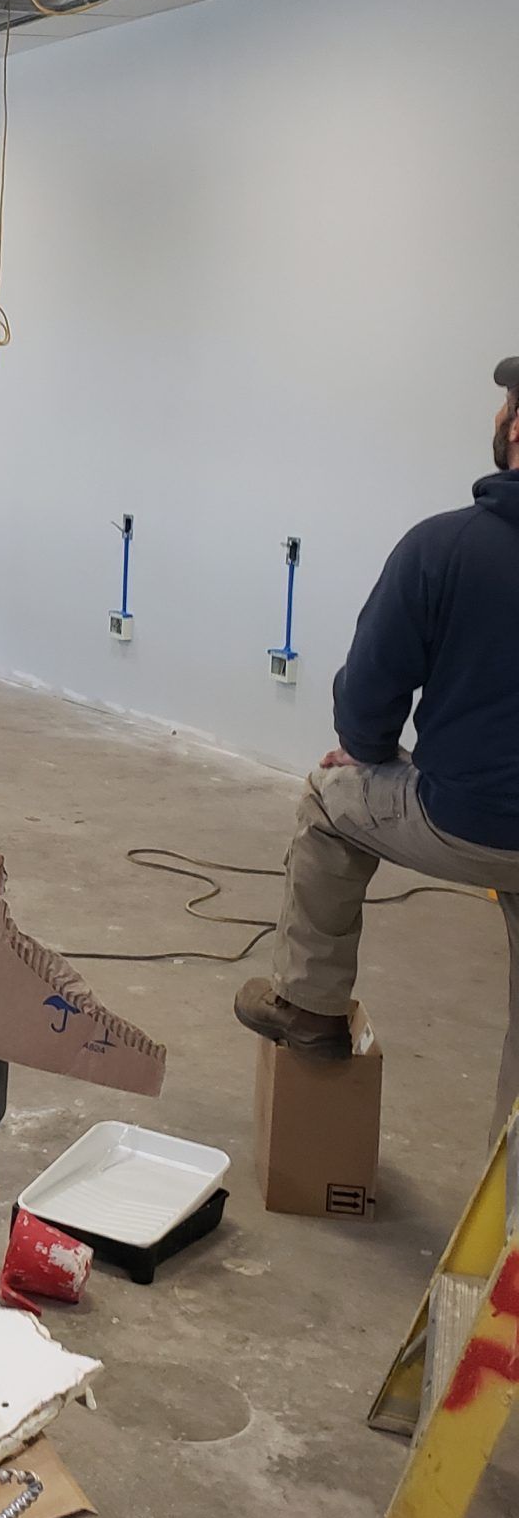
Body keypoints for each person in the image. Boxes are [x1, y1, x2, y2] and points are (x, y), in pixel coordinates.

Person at [235, 356, 519, 1125]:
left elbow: (367, 702)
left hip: (467, 821)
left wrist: (371, 751)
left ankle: (312, 1008)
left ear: (518, 428)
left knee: (330, 802)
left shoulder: (444, 547)